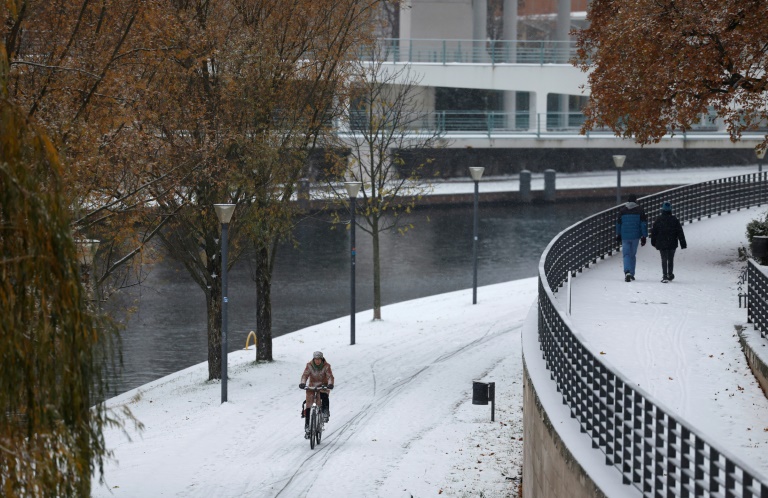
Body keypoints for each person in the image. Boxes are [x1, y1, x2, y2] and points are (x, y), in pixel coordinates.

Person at [299, 351, 334, 437]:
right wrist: (303, 383)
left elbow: (330, 376)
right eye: (316, 359)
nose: (317, 361)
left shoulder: (326, 366)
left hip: (323, 387)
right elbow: (305, 375)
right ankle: (307, 426)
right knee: (308, 405)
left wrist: (330, 384)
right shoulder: (309, 366)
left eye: (319, 359)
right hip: (312, 387)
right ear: (313, 359)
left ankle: (325, 413)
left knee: (324, 396)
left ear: (321, 359)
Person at [650, 201, 687, 283]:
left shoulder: (659, 220)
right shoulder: (674, 219)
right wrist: (683, 243)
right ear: (670, 210)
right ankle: (670, 274)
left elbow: (654, 232)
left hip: (661, 242)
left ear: (662, 210)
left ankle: (664, 275)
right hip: (672, 242)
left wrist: (653, 241)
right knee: (670, 259)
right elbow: (679, 232)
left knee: (664, 258)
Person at [616, 193, 648, 282]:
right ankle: (632, 273)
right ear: (635, 201)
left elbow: (618, 223)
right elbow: (643, 224)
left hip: (625, 236)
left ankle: (627, 272)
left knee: (626, 254)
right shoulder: (640, 210)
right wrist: (644, 236)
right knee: (632, 255)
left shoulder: (622, 211)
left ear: (628, 201)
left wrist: (618, 234)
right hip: (635, 236)